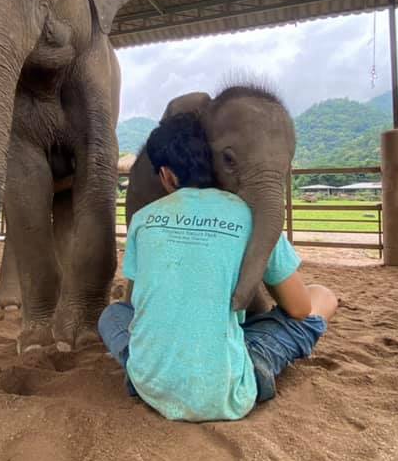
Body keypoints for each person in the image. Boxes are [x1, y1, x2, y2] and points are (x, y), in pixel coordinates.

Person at [98, 112, 338, 421]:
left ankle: (152, 367)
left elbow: (136, 304)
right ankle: (254, 364)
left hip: (149, 384)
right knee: (321, 296)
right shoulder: (253, 217)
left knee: (113, 314)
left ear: (167, 176)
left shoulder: (143, 219)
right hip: (226, 391)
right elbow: (300, 310)